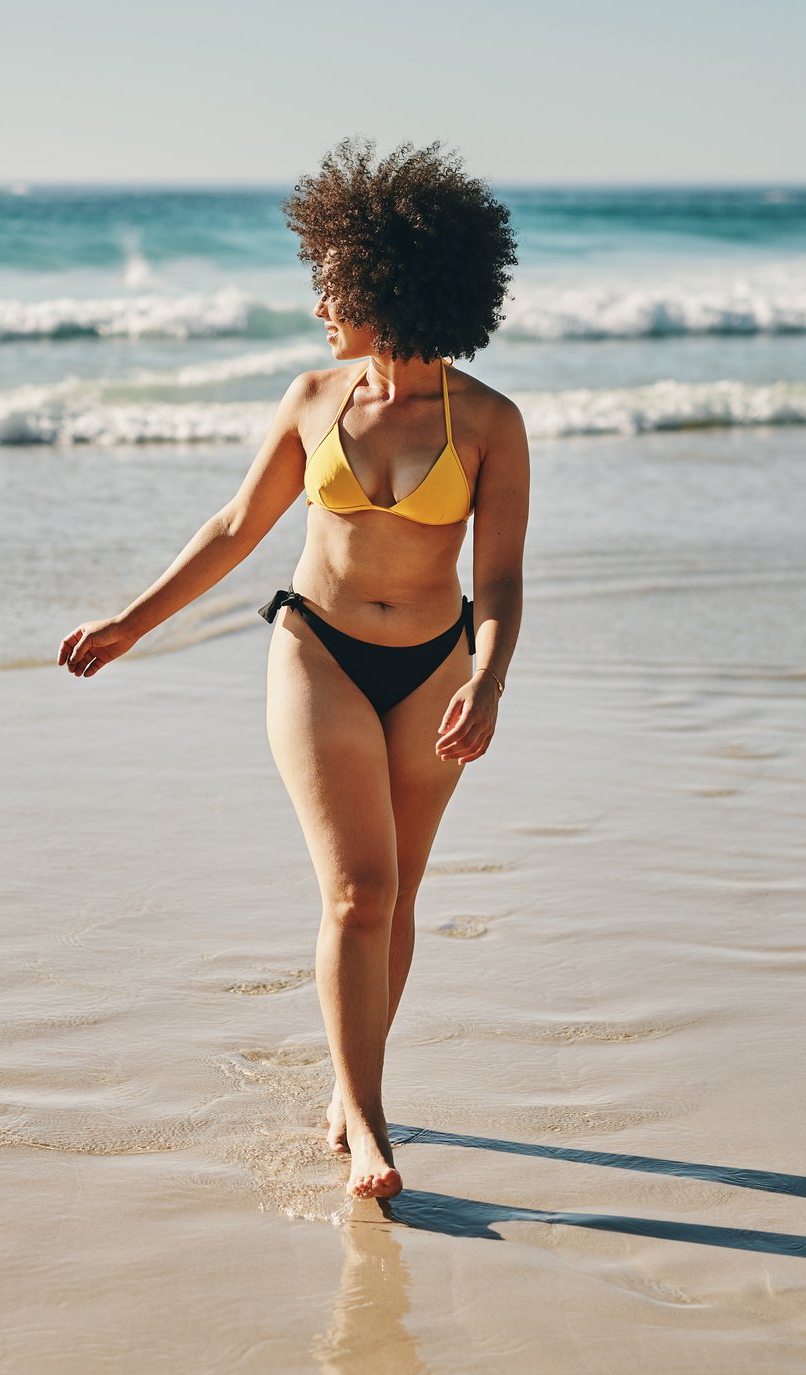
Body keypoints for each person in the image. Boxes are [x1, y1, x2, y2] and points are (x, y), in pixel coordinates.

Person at [58, 138, 528, 1201]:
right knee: (358, 891)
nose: (319, 301)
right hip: (317, 650)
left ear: (387, 282)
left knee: (396, 894)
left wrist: (487, 679)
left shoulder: (490, 422)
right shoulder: (313, 396)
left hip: (434, 667)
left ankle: (352, 1084)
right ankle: (366, 1123)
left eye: (333, 282)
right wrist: (134, 622)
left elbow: (497, 582)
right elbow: (235, 526)